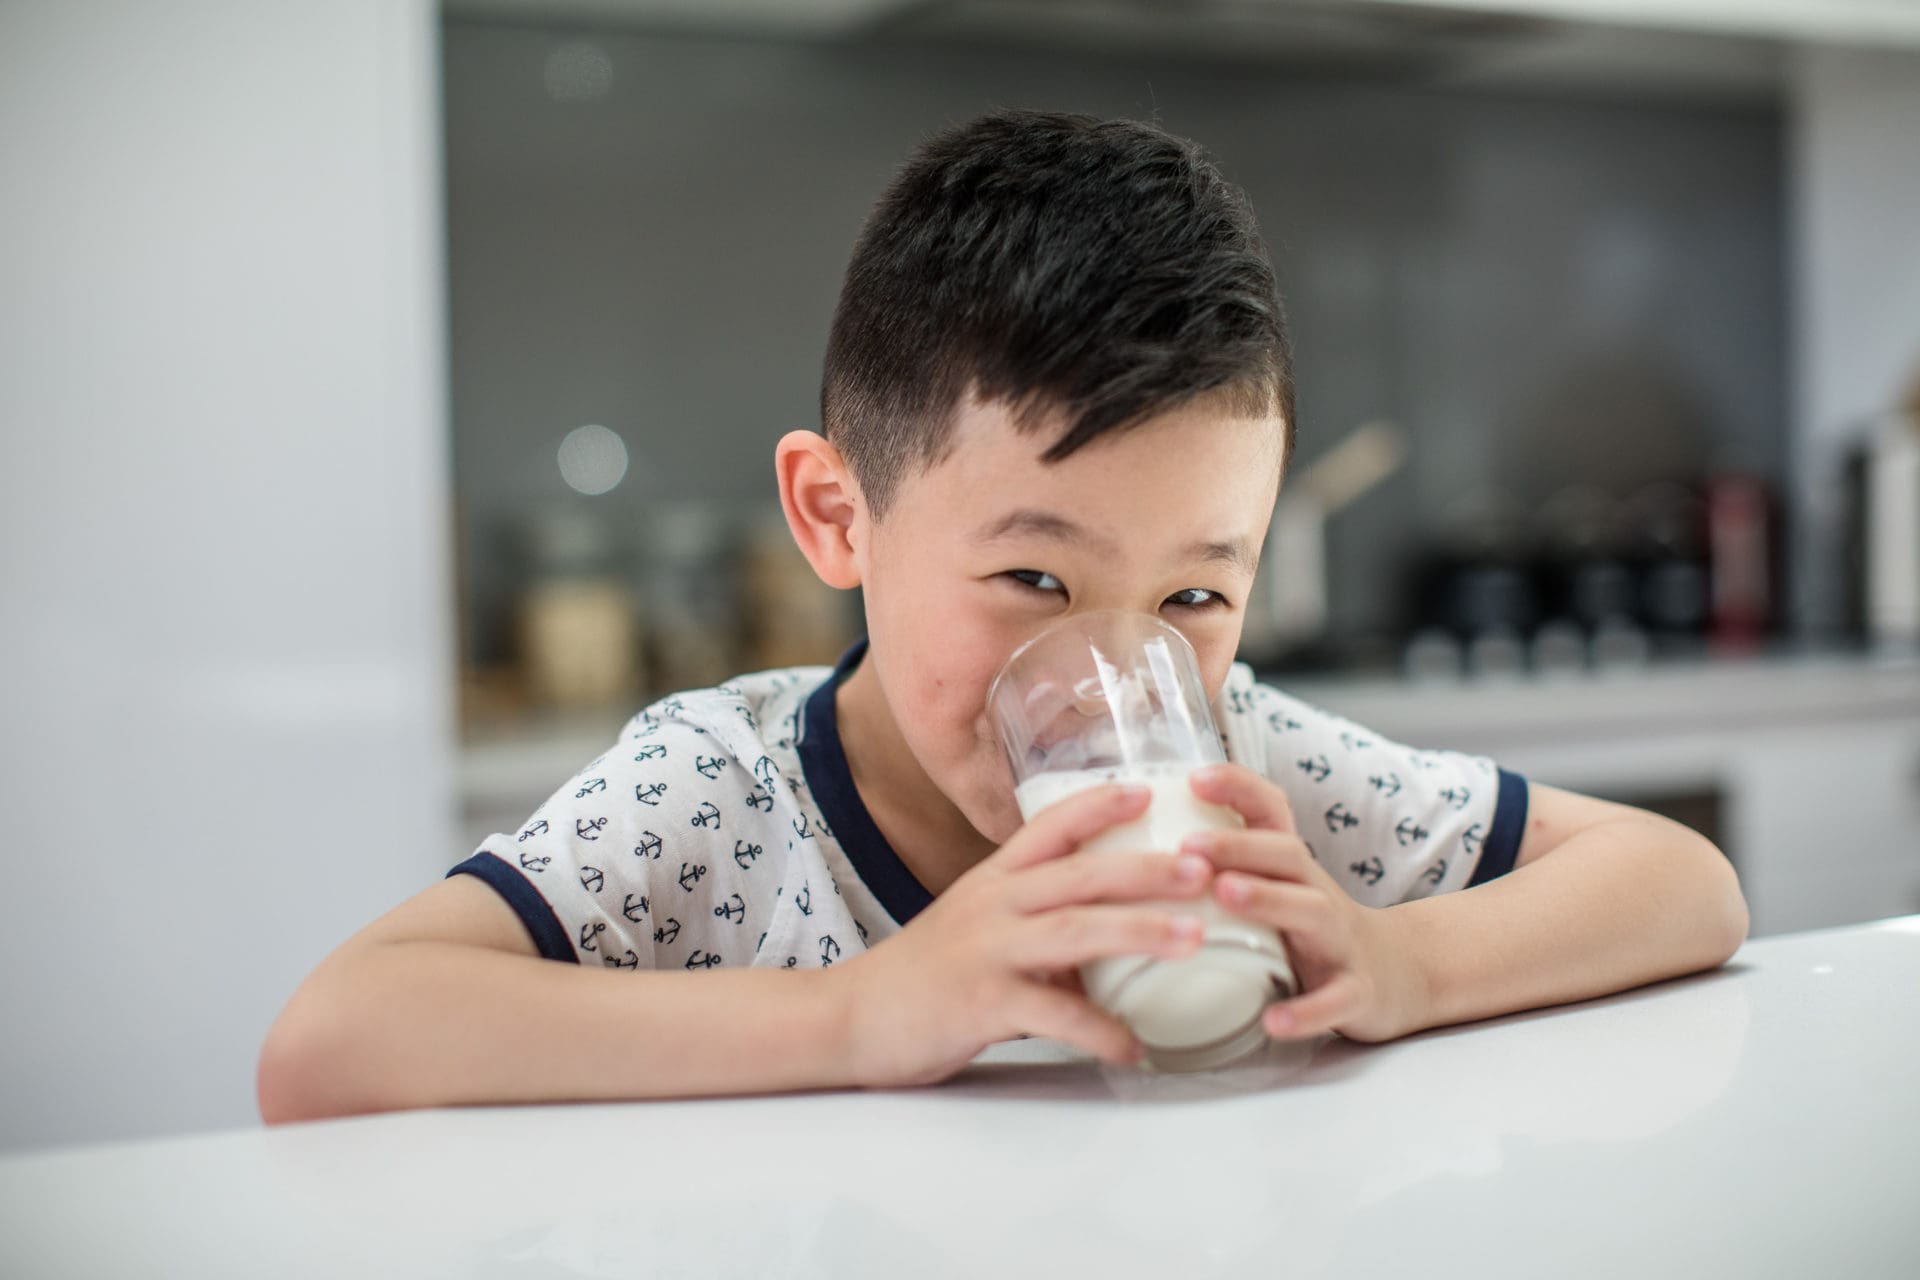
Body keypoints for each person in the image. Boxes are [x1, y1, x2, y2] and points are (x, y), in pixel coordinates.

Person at [257, 109, 1748, 1121]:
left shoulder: (1239, 784)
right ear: (838, 515)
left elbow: (1682, 882)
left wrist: (1400, 962)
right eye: (1036, 580)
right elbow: (333, 1044)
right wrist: (865, 1013)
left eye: (1196, 595)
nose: (1120, 670)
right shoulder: (718, 792)